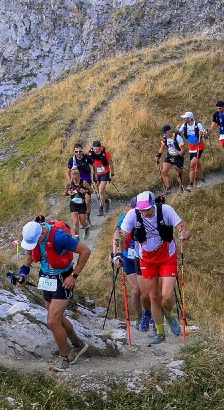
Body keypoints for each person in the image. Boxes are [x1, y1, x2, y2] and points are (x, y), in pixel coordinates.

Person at [116, 191, 190, 347]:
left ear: (153, 205)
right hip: (147, 259)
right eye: (142, 210)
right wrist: (117, 252)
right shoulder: (133, 215)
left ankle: (169, 315)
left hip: (167, 256)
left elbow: (182, 226)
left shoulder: (165, 210)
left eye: (148, 209)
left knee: (167, 295)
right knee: (154, 296)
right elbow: (120, 234)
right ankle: (160, 332)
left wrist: (184, 233)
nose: (146, 213)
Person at [17, 217, 91, 371]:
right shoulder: (34, 234)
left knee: (52, 321)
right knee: (57, 318)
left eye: (35, 243)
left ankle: (64, 359)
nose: (34, 246)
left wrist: (74, 276)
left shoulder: (59, 236)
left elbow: (85, 251)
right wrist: (23, 274)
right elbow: (30, 254)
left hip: (63, 279)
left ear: (41, 235)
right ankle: (78, 345)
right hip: (46, 278)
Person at [111, 198, 151, 332]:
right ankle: (140, 317)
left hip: (144, 257)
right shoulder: (125, 218)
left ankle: (149, 313)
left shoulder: (148, 217)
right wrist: (116, 254)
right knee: (136, 290)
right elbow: (116, 236)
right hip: (128, 256)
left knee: (148, 289)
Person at [176, 112, 207, 187]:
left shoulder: (198, 125)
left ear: (190, 118)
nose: (184, 119)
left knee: (192, 165)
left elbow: (206, 136)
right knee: (197, 165)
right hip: (191, 148)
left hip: (199, 147)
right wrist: (177, 129)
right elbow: (178, 133)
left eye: (185, 118)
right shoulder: (184, 125)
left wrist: (202, 133)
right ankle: (202, 179)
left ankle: (190, 184)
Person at [156, 125, 187, 194]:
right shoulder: (165, 138)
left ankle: (181, 188)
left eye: (165, 133)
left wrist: (176, 157)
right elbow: (162, 147)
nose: (164, 134)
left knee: (179, 173)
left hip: (179, 157)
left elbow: (183, 150)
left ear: (169, 132)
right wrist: (159, 155)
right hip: (170, 156)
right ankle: (168, 189)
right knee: (164, 171)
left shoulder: (177, 137)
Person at [87, 140, 113, 214]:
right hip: (96, 173)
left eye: (98, 149)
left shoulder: (106, 152)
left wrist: (112, 175)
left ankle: (101, 208)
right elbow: (88, 162)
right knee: (100, 191)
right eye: (95, 149)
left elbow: (111, 163)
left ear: (101, 148)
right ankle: (107, 200)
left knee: (101, 190)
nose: (96, 151)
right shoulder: (90, 152)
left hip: (105, 172)